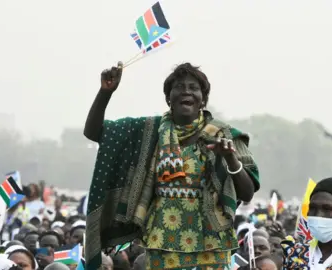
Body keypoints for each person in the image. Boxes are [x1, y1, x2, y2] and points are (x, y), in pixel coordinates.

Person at [84, 62, 260, 269]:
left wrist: (231, 159)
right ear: (169, 97)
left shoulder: (225, 136)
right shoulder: (150, 131)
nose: (186, 92)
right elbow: (95, 133)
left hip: (212, 241)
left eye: (194, 88)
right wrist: (105, 92)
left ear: (203, 98)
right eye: (179, 87)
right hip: (162, 240)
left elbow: (247, 193)